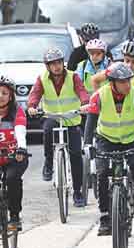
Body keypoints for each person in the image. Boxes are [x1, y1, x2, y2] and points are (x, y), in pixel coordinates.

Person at [84, 63, 134, 236]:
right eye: (122, 82)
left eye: (128, 81)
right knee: (102, 173)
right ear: (112, 82)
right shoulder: (99, 96)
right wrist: (88, 145)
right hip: (106, 139)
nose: (127, 85)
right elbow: (90, 122)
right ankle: (105, 217)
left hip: (133, 138)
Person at [27, 48, 90, 208]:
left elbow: (82, 92)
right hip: (52, 117)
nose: (56, 66)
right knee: (47, 130)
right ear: (47, 66)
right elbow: (35, 94)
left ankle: (77, 192)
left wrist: (85, 104)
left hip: (71, 119)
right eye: (52, 64)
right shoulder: (42, 79)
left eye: (59, 62)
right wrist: (32, 106)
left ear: (63, 63)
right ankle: (48, 163)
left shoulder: (73, 76)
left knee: (75, 155)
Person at [0, 75, 29, 231]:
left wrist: (21, 148)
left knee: (12, 179)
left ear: (11, 96)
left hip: (14, 156)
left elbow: (20, 129)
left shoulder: (16, 111)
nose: (0, 96)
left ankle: (15, 217)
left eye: (4, 93)